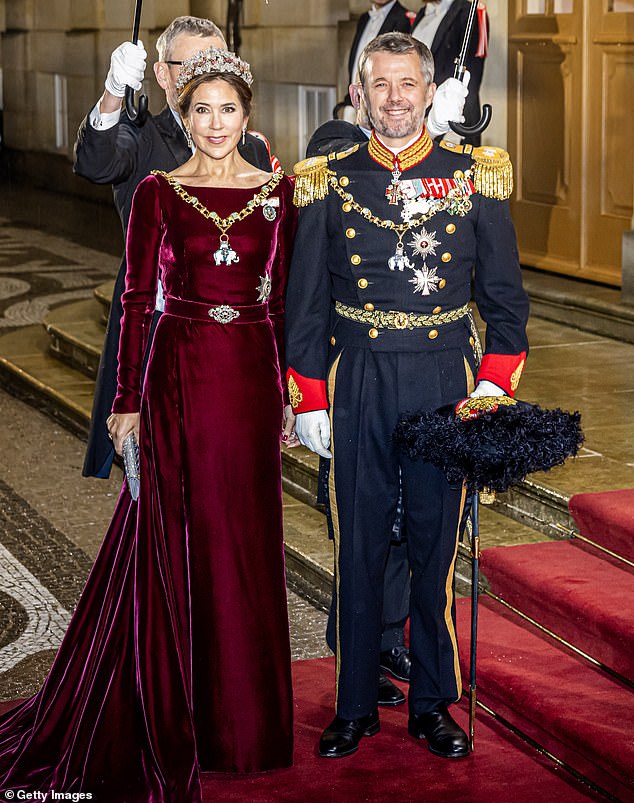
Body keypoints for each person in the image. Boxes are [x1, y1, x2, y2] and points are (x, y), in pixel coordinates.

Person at [0, 47, 296, 800]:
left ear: (247, 117)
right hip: (179, 374)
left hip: (252, 381)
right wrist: (125, 401)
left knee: (247, 538)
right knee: (180, 532)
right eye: (202, 109)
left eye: (229, 109)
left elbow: (287, 301)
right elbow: (135, 301)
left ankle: (247, 725)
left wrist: (292, 394)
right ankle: (182, 710)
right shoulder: (160, 193)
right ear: (184, 115)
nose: (216, 122)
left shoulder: (280, 193)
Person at [285, 32, 529, 760]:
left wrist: (492, 385)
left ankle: (431, 704)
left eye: (407, 84)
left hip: (442, 383)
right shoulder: (328, 180)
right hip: (357, 375)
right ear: (360, 94)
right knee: (357, 546)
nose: (394, 98)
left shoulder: (472, 175)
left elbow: (507, 304)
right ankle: (354, 703)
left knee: (433, 547)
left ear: (428, 91)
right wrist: (308, 400)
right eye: (379, 84)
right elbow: (304, 311)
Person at [74, 15, 273, 479]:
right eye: (191, 66)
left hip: (235, 347)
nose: (207, 76)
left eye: (217, 62)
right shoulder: (139, 137)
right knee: (164, 494)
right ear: (162, 75)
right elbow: (96, 160)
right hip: (158, 340)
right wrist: (113, 94)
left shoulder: (254, 151)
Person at [412, 0, 488, 145]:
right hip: (420, 118)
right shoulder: (422, 13)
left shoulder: (469, 12)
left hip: (451, 122)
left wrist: (453, 129)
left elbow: (470, 79)